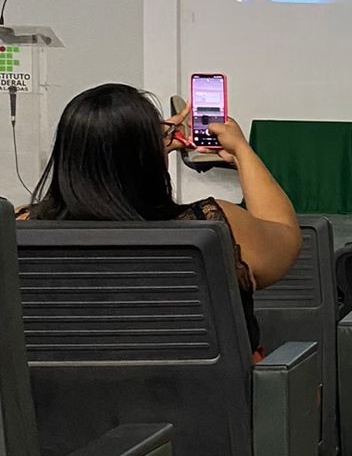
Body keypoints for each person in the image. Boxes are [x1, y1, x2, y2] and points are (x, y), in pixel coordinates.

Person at [21, 82, 302, 348]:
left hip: (57, 398)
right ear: (149, 157)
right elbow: (283, 231)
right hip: (199, 397)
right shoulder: (211, 227)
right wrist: (241, 151)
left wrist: (147, 147)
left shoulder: (19, 230)